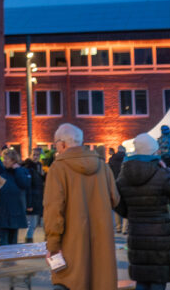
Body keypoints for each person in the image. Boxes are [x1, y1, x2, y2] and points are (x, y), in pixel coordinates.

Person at [43, 123, 120, 290]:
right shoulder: (103, 166)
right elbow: (115, 199)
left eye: (55, 142)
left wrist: (53, 246)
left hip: (71, 242)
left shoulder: (58, 168)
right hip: (101, 240)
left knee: (70, 282)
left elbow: (53, 211)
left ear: (62, 143)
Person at [116, 133, 170, 290]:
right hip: (160, 234)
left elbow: (118, 204)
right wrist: (168, 171)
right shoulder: (161, 173)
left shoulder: (124, 174)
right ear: (153, 152)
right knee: (158, 279)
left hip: (137, 234)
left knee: (141, 279)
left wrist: (133, 214)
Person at [0, 147, 30, 246]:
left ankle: (11, 261)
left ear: (13, 160)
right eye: (3, 158)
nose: (4, 161)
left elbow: (24, 184)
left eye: (6, 159)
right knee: (3, 241)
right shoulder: (0, 172)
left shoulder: (21, 171)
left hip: (16, 211)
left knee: (13, 242)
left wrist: (17, 170)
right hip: (2, 210)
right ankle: (4, 259)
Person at [23, 148, 45, 242]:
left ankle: (29, 239)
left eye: (38, 155)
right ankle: (29, 239)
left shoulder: (39, 166)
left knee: (36, 222)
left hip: (38, 196)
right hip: (33, 196)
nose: (36, 157)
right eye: (34, 154)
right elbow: (29, 185)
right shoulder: (28, 167)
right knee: (32, 222)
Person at [108, 145, 127, 235]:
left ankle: (118, 227)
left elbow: (109, 172)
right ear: (124, 150)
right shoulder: (127, 159)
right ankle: (125, 229)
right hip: (126, 183)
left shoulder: (112, 159)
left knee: (117, 204)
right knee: (127, 205)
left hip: (115, 183)